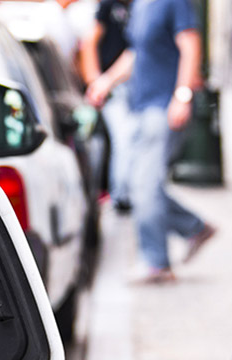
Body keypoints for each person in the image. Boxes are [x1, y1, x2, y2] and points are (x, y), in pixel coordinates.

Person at [87, 0, 216, 283]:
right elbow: (136, 53)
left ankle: (156, 262)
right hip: (140, 106)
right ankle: (194, 228)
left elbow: (191, 46)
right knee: (132, 185)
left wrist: (182, 96)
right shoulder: (141, 5)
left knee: (146, 184)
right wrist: (106, 82)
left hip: (163, 106)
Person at [81, 0, 132, 213]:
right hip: (114, 88)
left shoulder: (141, 6)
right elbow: (89, 42)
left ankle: (122, 193)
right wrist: (95, 81)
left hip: (126, 85)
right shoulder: (109, 5)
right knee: (123, 139)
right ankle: (122, 196)